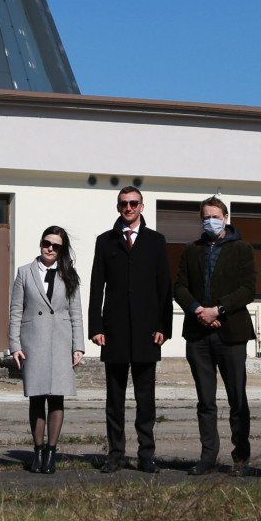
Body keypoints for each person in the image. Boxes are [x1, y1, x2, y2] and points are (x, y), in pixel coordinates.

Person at [88, 185, 173, 473]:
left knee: (145, 399)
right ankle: (115, 454)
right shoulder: (105, 241)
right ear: (118, 206)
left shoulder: (156, 241)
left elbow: (165, 287)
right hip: (114, 333)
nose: (129, 208)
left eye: (134, 203)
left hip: (148, 332)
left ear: (141, 206)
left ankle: (146, 454)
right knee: (115, 399)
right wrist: (96, 326)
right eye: (124, 203)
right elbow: (96, 286)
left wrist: (164, 326)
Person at [172, 195, 257, 475]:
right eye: (206, 217)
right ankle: (208, 456)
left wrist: (218, 310)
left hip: (231, 333)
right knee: (206, 400)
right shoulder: (191, 250)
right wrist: (199, 310)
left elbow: (248, 289)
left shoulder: (242, 249)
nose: (210, 221)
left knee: (237, 399)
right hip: (198, 334)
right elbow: (179, 287)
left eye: (215, 217)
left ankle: (240, 457)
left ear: (225, 218)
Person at [9, 225, 85, 474]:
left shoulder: (69, 274)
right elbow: (16, 311)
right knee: (36, 397)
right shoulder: (24, 272)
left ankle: (51, 452)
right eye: (46, 243)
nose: (50, 249)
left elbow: (75, 313)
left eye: (56, 246)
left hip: (61, 342)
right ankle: (38, 451)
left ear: (62, 250)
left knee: (57, 398)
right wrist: (14, 345)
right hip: (33, 342)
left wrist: (78, 346)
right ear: (41, 244)